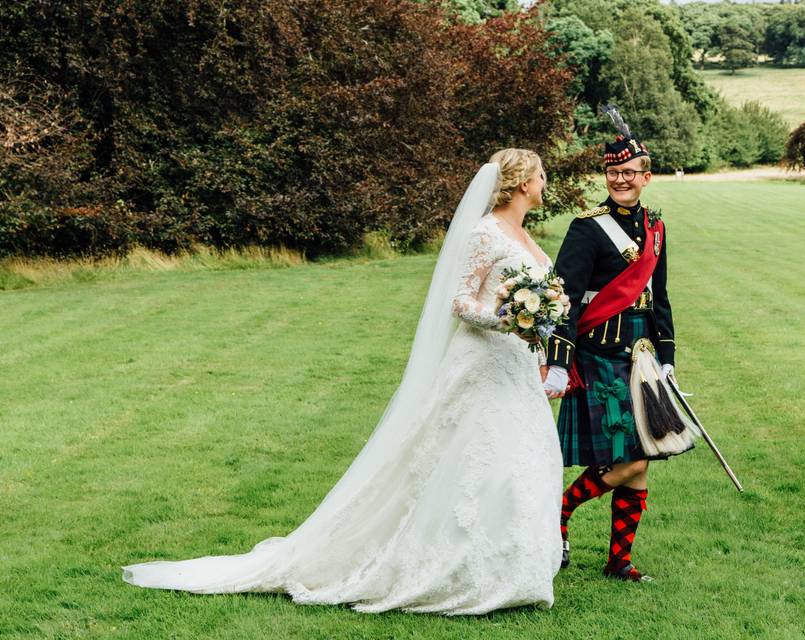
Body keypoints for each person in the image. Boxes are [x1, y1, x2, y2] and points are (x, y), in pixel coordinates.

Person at [123, 149, 564, 614]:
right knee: (474, 461)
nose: (544, 182)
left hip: (515, 365)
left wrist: (533, 333)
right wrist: (506, 320)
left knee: (520, 461)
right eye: (540, 175)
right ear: (521, 184)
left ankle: (511, 567)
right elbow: (459, 301)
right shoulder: (485, 232)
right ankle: (454, 567)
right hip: (482, 364)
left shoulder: (524, 234)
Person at [542, 107, 696, 583]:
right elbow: (563, 299)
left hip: (641, 359)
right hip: (598, 357)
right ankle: (558, 513)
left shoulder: (655, 228)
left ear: (646, 177)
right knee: (630, 458)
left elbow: (660, 298)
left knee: (641, 460)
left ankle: (619, 563)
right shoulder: (587, 227)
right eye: (613, 172)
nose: (620, 180)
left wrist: (667, 360)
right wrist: (557, 362)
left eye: (629, 173)